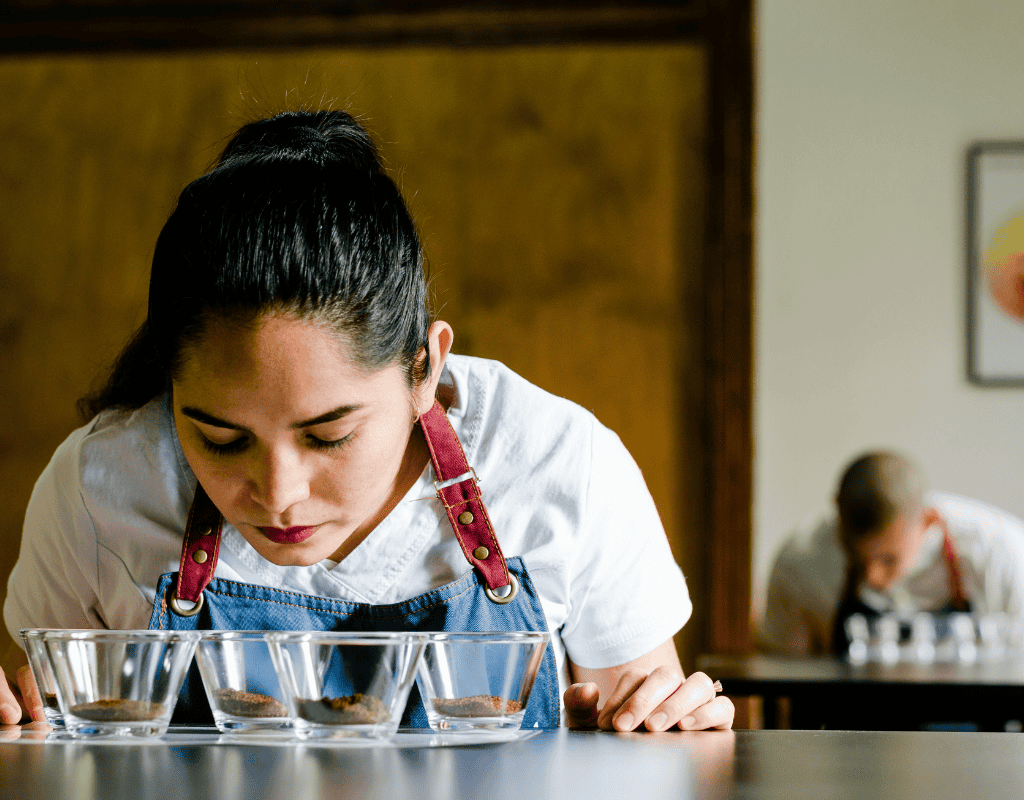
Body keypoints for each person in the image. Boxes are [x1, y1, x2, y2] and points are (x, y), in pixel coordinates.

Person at [0, 109, 733, 732]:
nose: (279, 494)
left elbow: (644, 726)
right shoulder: (100, 487)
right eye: (221, 439)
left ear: (425, 369)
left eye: (329, 435)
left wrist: (665, 728)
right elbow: (43, 741)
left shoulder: (556, 461)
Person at [758, 450, 1024, 655]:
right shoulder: (799, 563)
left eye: (889, 559)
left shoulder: (1000, 555)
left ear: (927, 522)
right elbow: (785, 670)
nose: (872, 577)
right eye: (856, 557)